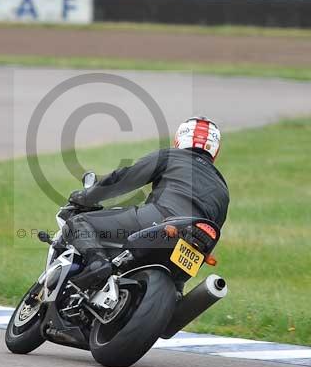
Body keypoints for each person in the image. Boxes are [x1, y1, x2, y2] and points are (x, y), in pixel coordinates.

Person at [64, 116, 229, 289]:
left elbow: (125, 178)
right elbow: (215, 231)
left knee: (77, 222)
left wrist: (86, 197)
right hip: (198, 241)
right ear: (215, 150)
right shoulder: (222, 189)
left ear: (179, 139)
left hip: (161, 219)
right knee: (176, 287)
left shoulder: (171, 155)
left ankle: (96, 264)